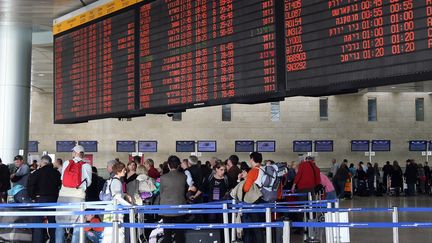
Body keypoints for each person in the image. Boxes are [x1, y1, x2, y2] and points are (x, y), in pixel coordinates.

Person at [56, 145, 92, 243]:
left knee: (60, 224)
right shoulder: (87, 165)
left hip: (63, 195)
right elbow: (88, 183)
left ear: (75, 153)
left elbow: (62, 179)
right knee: (78, 224)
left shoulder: (66, 163)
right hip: (78, 196)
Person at [27, 155, 61, 243]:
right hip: (53, 199)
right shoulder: (56, 173)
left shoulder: (37, 172)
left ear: (43, 162)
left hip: (40, 199)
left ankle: (37, 241)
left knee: (38, 222)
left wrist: (33, 197)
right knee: (52, 221)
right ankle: (53, 240)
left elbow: (30, 185)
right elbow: (59, 185)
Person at [238, 152, 265, 243]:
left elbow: (246, 188)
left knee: (255, 225)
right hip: (264, 199)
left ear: (252, 159)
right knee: (261, 225)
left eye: (250, 159)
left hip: (254, 200)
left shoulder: (253, 171)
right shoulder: (263, 169)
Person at [102, 162, 132, 243]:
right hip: (116, 210)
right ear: (119, 171)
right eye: (123, 170)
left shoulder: (113, 180)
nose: (125, 171)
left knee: (109, 232)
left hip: (109, 209)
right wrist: (129, 206)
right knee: (119, 231)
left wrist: (125, 195)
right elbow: (117, 197)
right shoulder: (117, 182)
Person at [159, 155, 187, 243]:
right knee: (179, 233)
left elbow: (161, 192)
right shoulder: (183, 177)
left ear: (168, 165)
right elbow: (185, 191)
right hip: (180, 208)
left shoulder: (163, 178)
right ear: (178, 165)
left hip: (166, 208)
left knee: (167, 233)